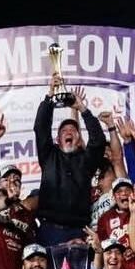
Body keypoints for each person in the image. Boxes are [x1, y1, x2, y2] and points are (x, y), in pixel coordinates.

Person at [33, 80, 107, 246]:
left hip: (78, 231)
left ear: (79, 138)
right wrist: (50, 96)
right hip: (48, 230)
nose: (69, 132)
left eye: (73, 130)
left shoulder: (86, 161)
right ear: (57, 139)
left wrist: (83, 109)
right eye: (64, 131)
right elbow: (40, 127)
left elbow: (98, 141)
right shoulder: (48, 155)